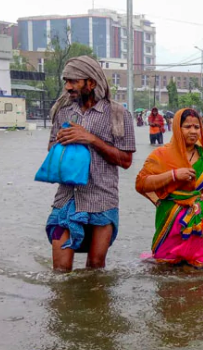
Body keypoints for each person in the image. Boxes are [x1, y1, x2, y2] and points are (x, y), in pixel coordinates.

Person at [45, 55, 136, 272]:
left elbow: (126, 161)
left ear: (91, 82)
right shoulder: (62, 110)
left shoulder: (118, 114)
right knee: (60, 270)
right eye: (66, 81)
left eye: (73, 81)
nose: (68, 87)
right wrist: (62, 145)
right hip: (66, 199)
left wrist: (91, 139)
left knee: (95, 269)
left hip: (102, 201)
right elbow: (50, 149)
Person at [135, 108, 203, 267]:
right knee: (166, 272)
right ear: (177, 128)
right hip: (171, 225)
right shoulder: (161, 155)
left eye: (197, 127)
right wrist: (173, 175)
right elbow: (141, 183)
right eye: (187, 127)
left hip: (201, 224)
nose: (193, 131)